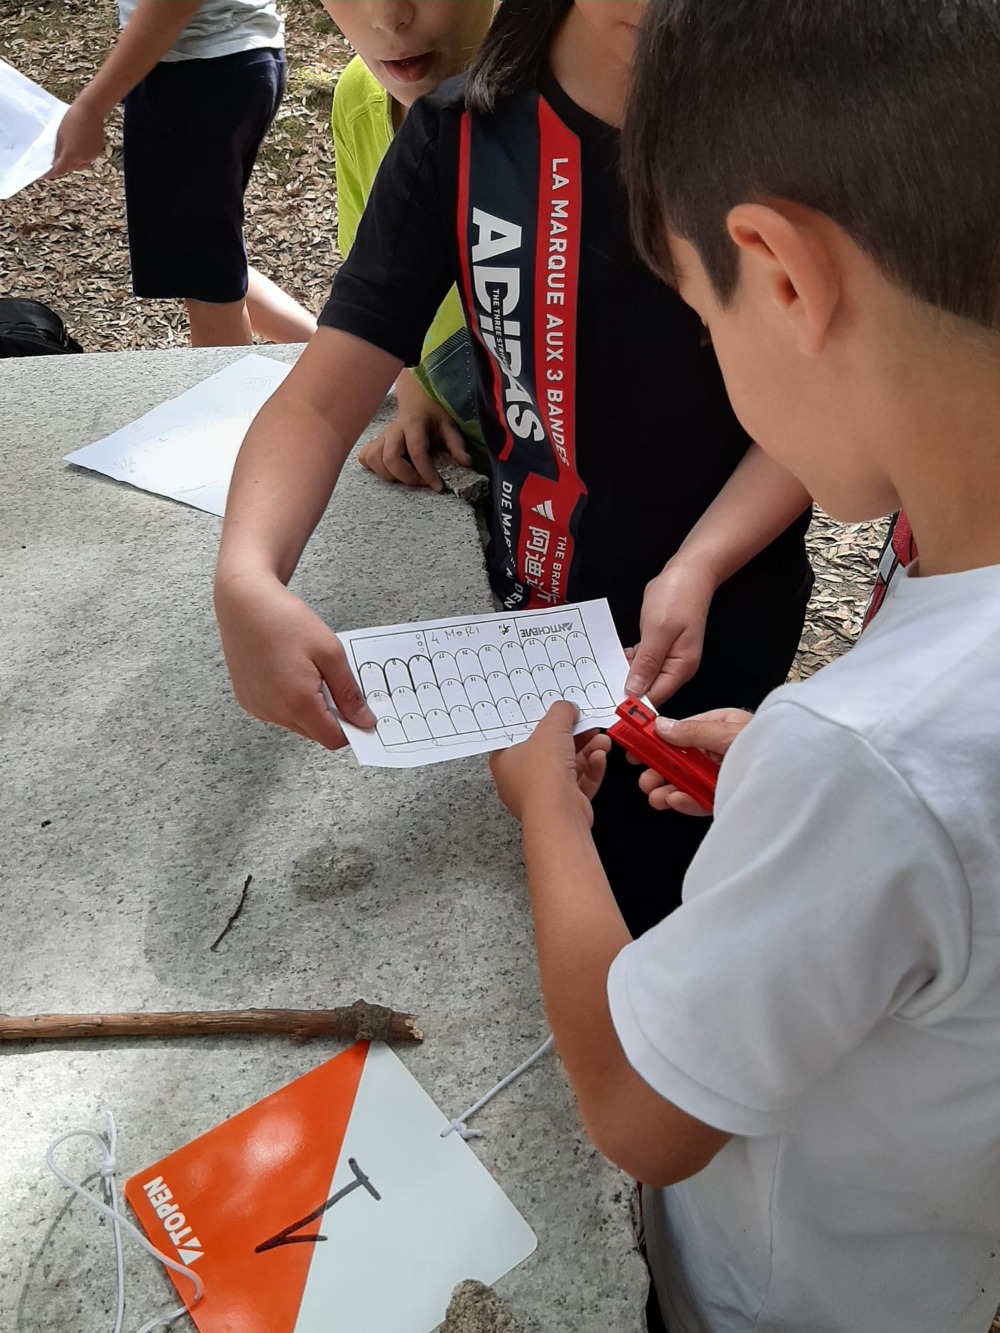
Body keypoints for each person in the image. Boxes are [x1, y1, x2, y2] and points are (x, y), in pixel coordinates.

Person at [487, 1, 1000, 1330]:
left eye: (705, 320)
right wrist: (791, 800)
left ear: (779, 275)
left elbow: (640, 1113)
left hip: (774, 1301)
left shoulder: (867, 763)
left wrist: (548, 816)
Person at [214, 0, 814, 939]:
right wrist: (247, 574)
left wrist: (701, 562)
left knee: (690, 916)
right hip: (530, 631)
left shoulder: (797, 135)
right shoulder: (461, 135)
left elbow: (825, 412)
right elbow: (321, 398)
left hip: (721, 634)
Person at [49, 0, 317, 347]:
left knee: (208, 281)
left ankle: (243, 388)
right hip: (223, 59)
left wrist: (92, 106)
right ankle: (340, 358)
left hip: (197, 70)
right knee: (209, 261)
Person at [321, 0, 494, 479]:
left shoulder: (579, 103)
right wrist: (413, 389)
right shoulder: (359, 98)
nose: (388, 17)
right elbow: (377, 295)